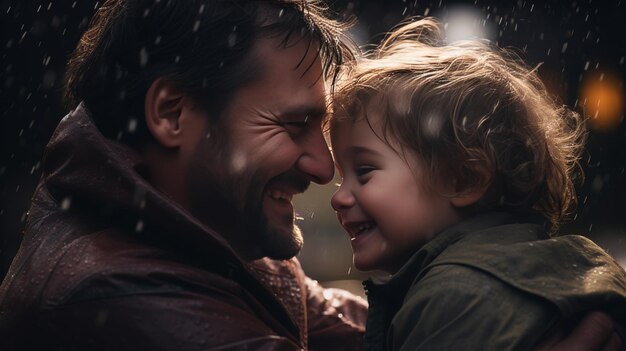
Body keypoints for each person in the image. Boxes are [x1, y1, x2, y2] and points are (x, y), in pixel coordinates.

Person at [0, 1, 618, 349]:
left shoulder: (202, 231)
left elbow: (340, 323)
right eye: (293, 125)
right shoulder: (115, 299)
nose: (323, 168)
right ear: (172, 113)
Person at [329, 17, 626, 350]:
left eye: (364, 171)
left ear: (464, 179)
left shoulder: (451, 302)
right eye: (342, 176)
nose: (338, 198)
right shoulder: (580, 269)